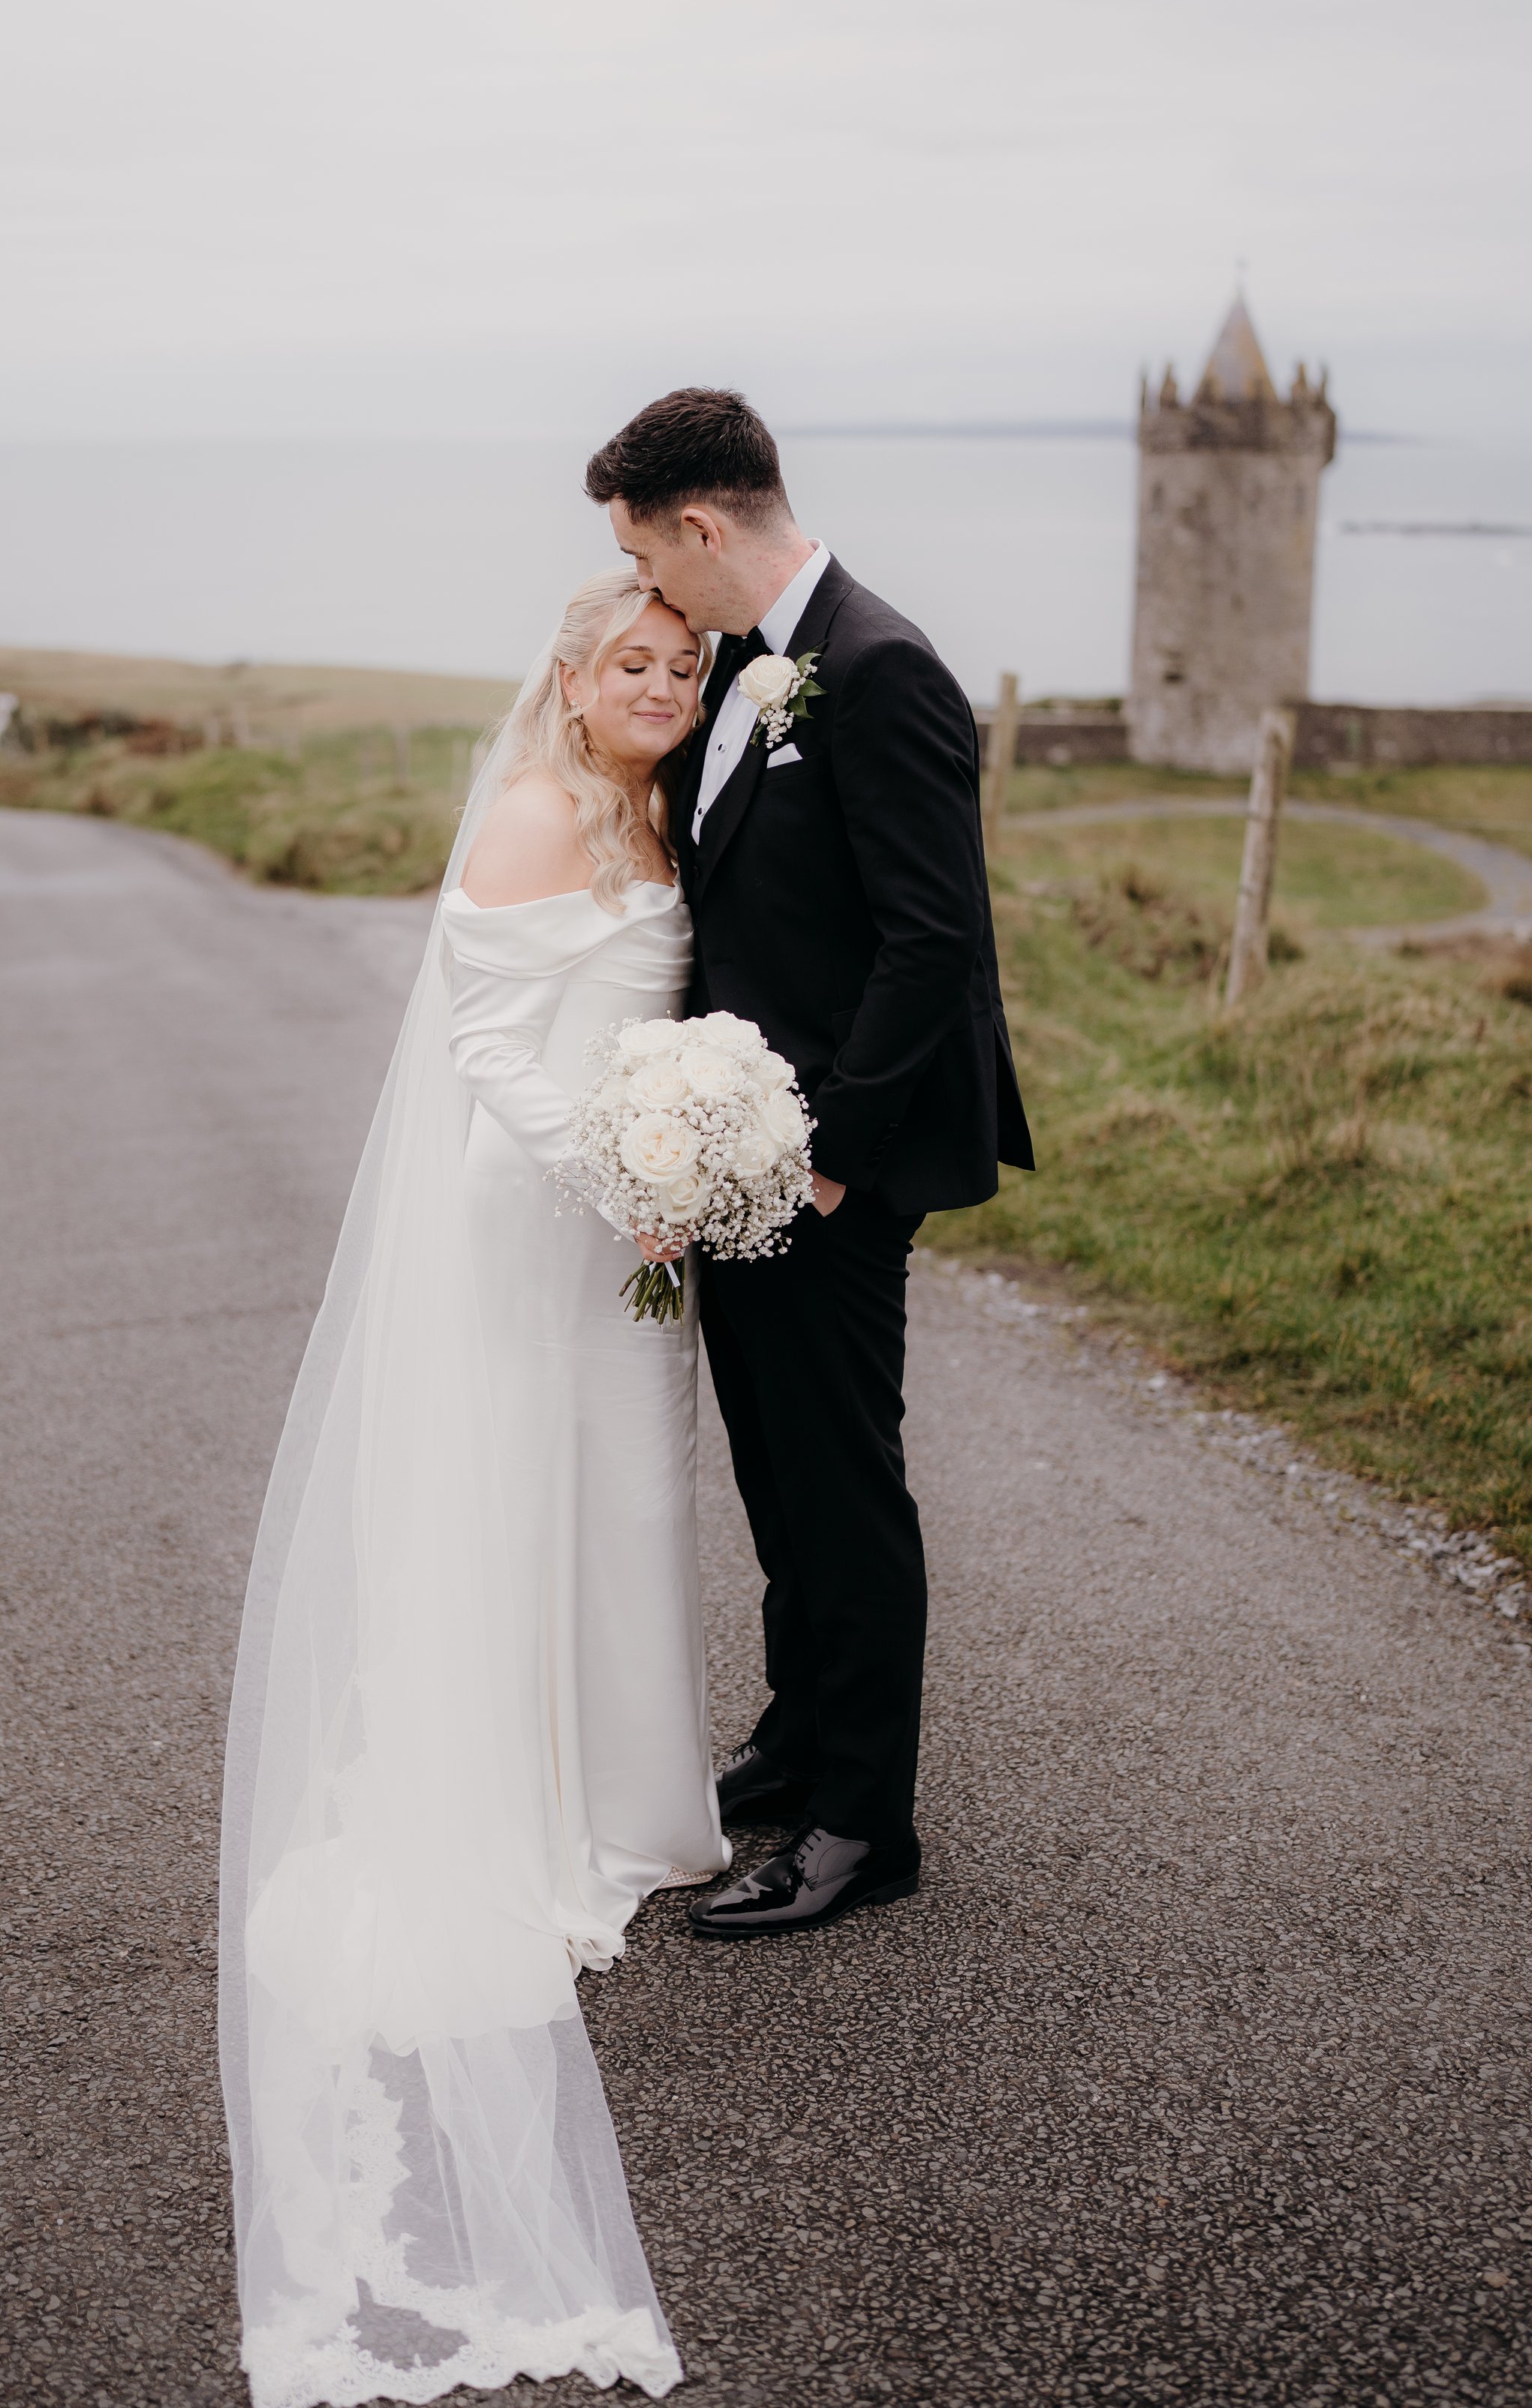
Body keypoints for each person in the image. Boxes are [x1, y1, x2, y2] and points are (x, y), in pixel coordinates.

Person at [218, 570, 724, 2406]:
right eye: (629, 665)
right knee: (521, 1508)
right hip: (538, 1219)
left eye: (679, 664)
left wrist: (686, 1143)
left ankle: (631, 1799)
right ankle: (529, 1817)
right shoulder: (533, 811)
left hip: (632, 1228)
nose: (658, 685)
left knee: (631, 1515)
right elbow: (491, 1046)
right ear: (573, 679)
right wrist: (617, 1158)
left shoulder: (664, 807)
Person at [589, 387, 1033, 1941]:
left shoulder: (883, 666)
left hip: (830, 1168)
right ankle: (794, 1741)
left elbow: (933, 944)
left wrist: (828, 1158)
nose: (654, 587)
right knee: (774, 1468)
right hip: (732, 1157)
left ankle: (863, 1822)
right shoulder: (751, 671)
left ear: (700, 525)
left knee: (841, 1485)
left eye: (651, 551)